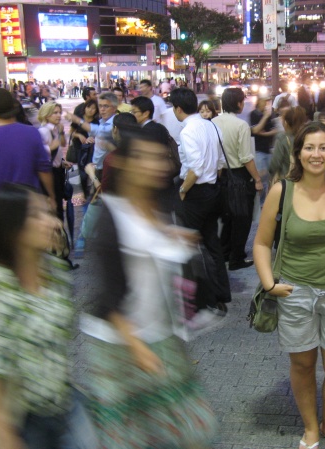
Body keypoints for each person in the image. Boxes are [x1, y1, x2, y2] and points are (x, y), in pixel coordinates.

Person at [80, 128, 218, 447]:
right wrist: (137, 348)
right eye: (144, 157)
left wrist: (170, 234)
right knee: (131, 437)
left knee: (194, 430)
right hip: (120, 343)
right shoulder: (109, 214)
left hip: (160, 335)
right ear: (126, 163)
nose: (156, 165)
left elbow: (146, 236)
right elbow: (106, 297)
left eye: (160, 157)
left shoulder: (158, 204)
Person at [253, 121, 325, 449]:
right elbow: (261, 244)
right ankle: (311, 428)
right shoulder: (282, 190)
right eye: (309, 148)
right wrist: (269, 284)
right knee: (303, 364)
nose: (316, 154)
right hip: (294, 291)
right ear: (298, 152)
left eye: (323, 148)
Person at [0, 184, 97, 449]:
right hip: (26, 421)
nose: (52, 222)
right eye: (36, 215)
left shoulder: (54, 270)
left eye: (47, 212)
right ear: (11, 228)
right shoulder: (2, 291)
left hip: (65, 400)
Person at [170, 87, 232, 311]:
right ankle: (219, 295)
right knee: (211, 243)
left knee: (189, 245)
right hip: (213, 190)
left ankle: (199, 299)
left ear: (178, 108)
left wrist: (183, 190)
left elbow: (194, 168)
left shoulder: (187, 131)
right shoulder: (211, 125)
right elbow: (221, 163)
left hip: (196, 192)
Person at [212, 88, 263, 271]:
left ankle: (224, 253)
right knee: (242, 219)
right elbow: (245, 157)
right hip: (239, 177)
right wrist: (257, 178)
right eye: (242, 101)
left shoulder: (213, 122)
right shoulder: (240, 125)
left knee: (228, 218)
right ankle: (236, 259)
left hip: (221, 176)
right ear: (238, 103)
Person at [0, 89, 55, 208]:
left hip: (0, 206)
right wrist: (51, 196)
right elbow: (44, 169)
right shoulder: (31, 133)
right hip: (29, 203)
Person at [38, 101, 71, 221]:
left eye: (59, 112)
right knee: (55, 206)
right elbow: (40, 152)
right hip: (50, 173)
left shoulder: (56, 129)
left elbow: (62, 144)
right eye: (54, 113)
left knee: (59, 204)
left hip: (58, 170)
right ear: (46, 115)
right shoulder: (44, 131)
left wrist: (61, 161)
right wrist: (51, 147)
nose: (58, 115)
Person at [269, 106, 309, 184]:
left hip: (287, 180)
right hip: (306, 179)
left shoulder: (283, 138)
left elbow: (275, 163)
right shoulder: (308, 136)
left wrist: (271, 173)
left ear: (286, 123)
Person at [70, 99, 99, 199]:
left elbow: (99, 134)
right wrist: (78, 135)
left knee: (90, 169)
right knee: (82, 172)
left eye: (94, 108)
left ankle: (91, 190)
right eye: (89, 107)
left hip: (91, 149)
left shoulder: (96, 122)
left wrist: (93, 138)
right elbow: (71, 133)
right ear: (85, 108)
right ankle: (85, 192)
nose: (91, 110)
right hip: (79, 148)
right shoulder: (78, 119)